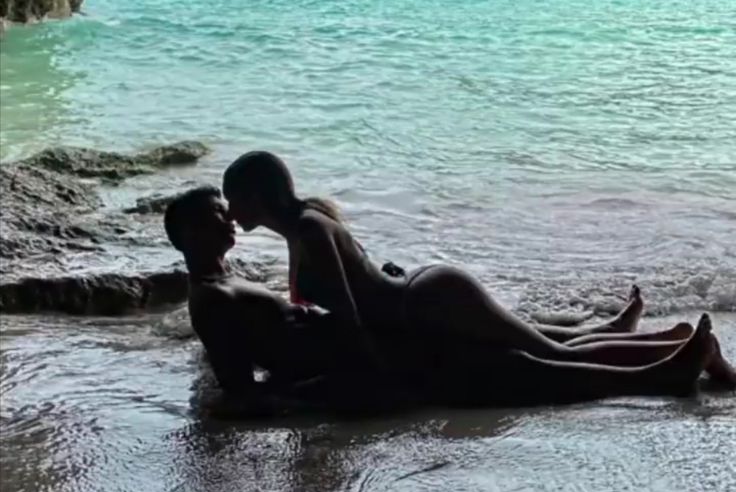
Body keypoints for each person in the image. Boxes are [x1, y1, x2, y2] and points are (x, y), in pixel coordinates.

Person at [164, 185, 724, 415]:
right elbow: (242, 389)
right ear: (188, 233)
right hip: (384, 362)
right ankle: (660, 363)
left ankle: (662, 364)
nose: (231, 220)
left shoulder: (229, 280)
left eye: (230, 207)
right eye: (218, 216)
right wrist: (332, 391)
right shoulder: (212, 298)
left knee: (531, 358)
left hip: (391, 345)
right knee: (527, 364)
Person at [222, 151, 736, 386]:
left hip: (430, 302)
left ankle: (673, 365)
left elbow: (354, 315)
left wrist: (372, 376)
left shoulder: (309, 228)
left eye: (231, 199)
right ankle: (671, 344)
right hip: (426, 299)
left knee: (546, 354)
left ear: (255, 195)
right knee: (539, 347)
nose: (228, 211)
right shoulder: (303, 225)